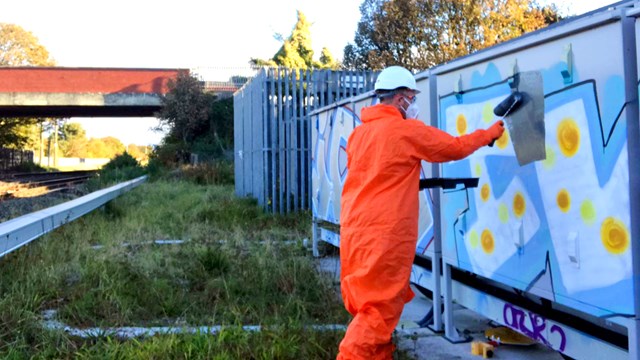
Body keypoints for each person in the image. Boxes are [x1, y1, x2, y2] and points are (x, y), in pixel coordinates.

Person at [337, 65, 505, 360]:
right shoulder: (404, 130)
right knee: (378, 311)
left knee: (369, 306)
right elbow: (453, 147)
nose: (413, 105)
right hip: (386, 235)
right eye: (411, 98)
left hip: (355, 232)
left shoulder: (358, 135)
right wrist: (489, 133)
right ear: (401, 99)